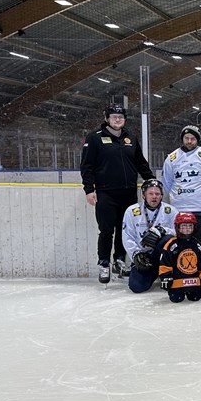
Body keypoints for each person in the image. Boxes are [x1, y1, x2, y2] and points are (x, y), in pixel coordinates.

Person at [80, 102, 154, 283]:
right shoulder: (95, 138)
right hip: (106, 193)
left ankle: (119, 260)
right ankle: (104, 263)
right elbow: (87, 167)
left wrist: (152, 181)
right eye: (114, 117)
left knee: (124, 229)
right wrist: (89, 189)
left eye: (121, 117)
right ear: (107, 119)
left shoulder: (131, 139)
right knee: (106, 230)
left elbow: (141, 163)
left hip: (128, 193)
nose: (118, 120)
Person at [161, 125, 201, 251]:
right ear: (182, 139)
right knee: (179, 247)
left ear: (197, 140)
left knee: (200, 246)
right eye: (186, 138)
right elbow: (166, 183)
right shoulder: (172, 158)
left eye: (193, 139)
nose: (189, 141)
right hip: (179, 209)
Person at [121, 178, 177, 293]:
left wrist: (163, 230)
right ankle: (153, 272)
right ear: (144, 195)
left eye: (157, 194)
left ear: (161, 196)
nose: (154, 197)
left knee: (168, 239)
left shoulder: (171, 211)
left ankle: (166, 270)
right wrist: (136, 254)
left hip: (163, 255)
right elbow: (127, 236)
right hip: (144, 256)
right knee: (136, 286)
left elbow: (178, 233)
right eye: (150, 193)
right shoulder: (132, 211)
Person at [157, 211, 201, 302]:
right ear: (177, 227)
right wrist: (165, 277)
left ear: (194, 227)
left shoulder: (198, 244)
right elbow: (165, 262)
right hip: (176, 282)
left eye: (190, 226)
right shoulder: (171, 244)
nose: (187, 229)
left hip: (193, 282)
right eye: (184, 226)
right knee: (176, 299)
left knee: (195, 297)